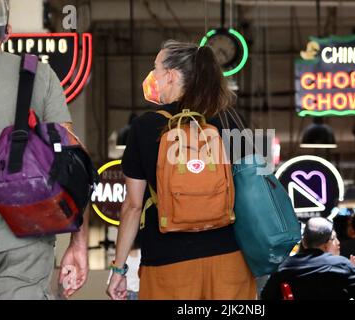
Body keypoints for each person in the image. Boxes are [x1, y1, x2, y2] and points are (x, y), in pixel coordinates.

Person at [106, 40, 256, 300]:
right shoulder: (229, 119)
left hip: (167, 264)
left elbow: (132, 206)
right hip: (229, 260)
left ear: (172, 76)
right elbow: (253, 187)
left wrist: (119, 268)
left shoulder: (144, 127)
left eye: (155, 69)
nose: (152, 76)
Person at [0, 0, 88, 299]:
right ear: (7, 32)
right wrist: (78, 241)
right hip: (24, 232)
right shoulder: (37, 74)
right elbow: (70, 161)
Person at [261, 217, 355, 300]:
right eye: (335, 239)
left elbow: (265, 297)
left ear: (304, 243)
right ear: (328, 243)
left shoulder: (284, 266)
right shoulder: (341, 265)